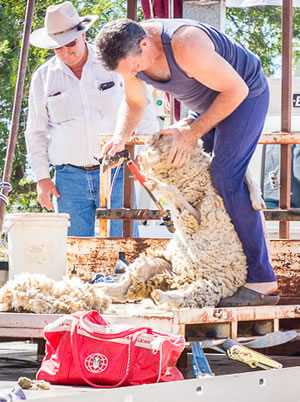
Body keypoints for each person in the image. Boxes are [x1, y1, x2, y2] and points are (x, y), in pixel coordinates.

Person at [95, 18, 279, 306]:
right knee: (188, 176)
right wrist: (121, 137)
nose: (133, 74)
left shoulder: (186, 43)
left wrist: (193, 132)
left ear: (145, 44)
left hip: (245, 96)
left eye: (133, 68)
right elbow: (134, 102)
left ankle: (262, 277)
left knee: (225, 176)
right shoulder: (132, 51)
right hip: (207, 105)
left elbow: (236, 91)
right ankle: (209, 267)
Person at [25, 2, 159, 237]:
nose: (66, 51)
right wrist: (42, 178)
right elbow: (35, 131)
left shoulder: (113, 63)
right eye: (58, 47)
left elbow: (143, 107)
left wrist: (143, 154)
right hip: (68, 178)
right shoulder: (42, 78)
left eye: (70, 43)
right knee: (74, 255)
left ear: (83, 35)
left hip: (117, 172)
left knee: (123, 247)